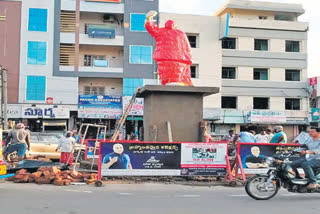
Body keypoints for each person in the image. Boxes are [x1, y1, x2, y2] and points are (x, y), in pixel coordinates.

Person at [145, 11, 193, 86]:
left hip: (163, 57)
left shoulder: (161, 31)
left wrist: (149, 19)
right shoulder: (180, 33)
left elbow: (151, 28)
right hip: (179, 59)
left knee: (166, 75)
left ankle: (167, 83)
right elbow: (186, 47)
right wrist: (188, 58)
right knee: (177, 76)